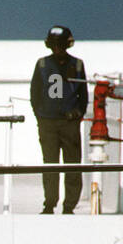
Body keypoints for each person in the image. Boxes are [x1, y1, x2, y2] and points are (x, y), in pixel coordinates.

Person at [30, 25, 88, 214]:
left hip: (69, 124)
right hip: (48, 124)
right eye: (55, 46)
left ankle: (69, 205)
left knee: (72, 164)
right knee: (50, 164)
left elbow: (84, 97)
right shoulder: (42, 65)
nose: (58, 50)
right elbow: (35, 94)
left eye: (61, 45)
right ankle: (50, 203)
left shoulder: (78, 65)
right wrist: (41, 117)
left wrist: (76, 115)